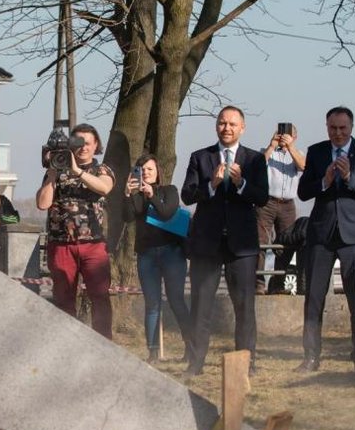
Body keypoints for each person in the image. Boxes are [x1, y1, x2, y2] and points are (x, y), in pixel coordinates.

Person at [181, 106, 269, 377]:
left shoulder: (254, 160)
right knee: (201, 307)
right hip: (207, 244)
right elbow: (187, 195)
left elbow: (262, 197)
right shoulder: (201, 157)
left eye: (232, 124)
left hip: (241, 245)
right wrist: (212, 184)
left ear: (242, 127)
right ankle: (195, 363)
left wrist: (241, 183)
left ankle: (246, 362)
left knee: (244, 307)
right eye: (222, 123)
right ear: (216, 126)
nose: (227, 128)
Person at [296, 106, 355, 373]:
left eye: (343, 128)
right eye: (333, 128)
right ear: (326, 126)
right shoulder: (316, 151)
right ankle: (311, 357)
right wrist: (325, 180)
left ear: (351, 127)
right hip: (322, 233)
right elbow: (303, 192)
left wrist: (347, 177)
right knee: (314, 297)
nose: (338, 133)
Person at [36, 123, 116, 339]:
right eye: (77, 143)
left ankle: (103, 344)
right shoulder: (56, 170)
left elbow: (104, 188)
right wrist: (53, 173)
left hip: (93, 244)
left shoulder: (102, 170)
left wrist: (77, 171)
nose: (82, 148)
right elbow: (43, 204)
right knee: (63, 298)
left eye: (87, 143)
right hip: (61, 244)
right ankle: (67, 344)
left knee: (99, 296)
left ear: (96, 145)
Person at [120, 153, 193, 364]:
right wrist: (127, 194)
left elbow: (167, 213)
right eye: (142, 171)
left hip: (172, 253)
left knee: (176, 300)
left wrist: (151, 194)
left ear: (157, 172)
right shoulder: (136, 196)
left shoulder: (169, 191)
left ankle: (190, 347)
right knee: (152, 303)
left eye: (150, 170)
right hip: (147, 255)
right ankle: (153, 352)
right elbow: (126, 217)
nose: (146, 174)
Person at [258, 123, 305, 294]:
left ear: (295, 138)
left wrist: (290, 148)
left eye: (288, 135)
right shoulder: (266, 151)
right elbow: (257, 167)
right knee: (260, 242)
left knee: (286, 244)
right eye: (280, 133)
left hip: (288, 204)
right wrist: (272, 146)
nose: (283, 137)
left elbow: (304, 167)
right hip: (267, 202)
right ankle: (258, 285)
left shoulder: (298, 154)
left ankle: (277, 285)